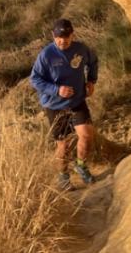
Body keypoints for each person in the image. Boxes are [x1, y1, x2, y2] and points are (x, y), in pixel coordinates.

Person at [30, 18, 99, 188]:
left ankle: (81, 166)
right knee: (64, 145)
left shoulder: (81, 49)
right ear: (53, 36)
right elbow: (35, 79)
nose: (62, 41)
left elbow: (93, 62)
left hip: (77, 101)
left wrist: (91, 80)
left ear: (72, 36)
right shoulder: (46, 55)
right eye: (58, 38)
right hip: (55, 105)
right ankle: (63, 176)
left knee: (87, 135)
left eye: (66, 38)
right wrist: (56, 90)